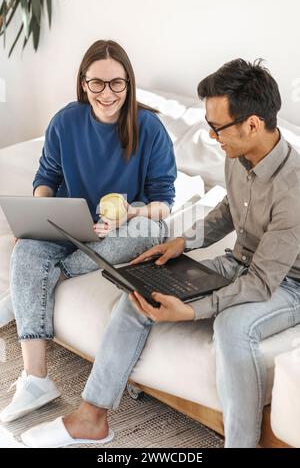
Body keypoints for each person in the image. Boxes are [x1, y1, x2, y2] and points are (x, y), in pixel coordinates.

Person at [17, 58, 300, 449]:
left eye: (217, 128)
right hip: (239, 263)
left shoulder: (294, 188)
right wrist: (184, 241)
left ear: (253, 124)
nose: (213, 137)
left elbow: (263, 281)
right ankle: (91, 418)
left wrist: (191, 310)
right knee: (138, 294)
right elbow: (231, 210)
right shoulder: (239, 154)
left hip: (287, 284)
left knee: (232, 329)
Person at [0, 40, 176, 437]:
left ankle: (33, 286)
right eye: (97, 84)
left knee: (151, 229)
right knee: (27, 246)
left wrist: (130, 212)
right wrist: (40, 212)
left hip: (126, 225)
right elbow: (46, 179)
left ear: (129, 84)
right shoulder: (66, 122)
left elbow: (163, 203)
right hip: (72, 225)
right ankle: (35, 380)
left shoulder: (150, 128)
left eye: (117, 84)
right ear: (83, 84)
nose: (107, 94)